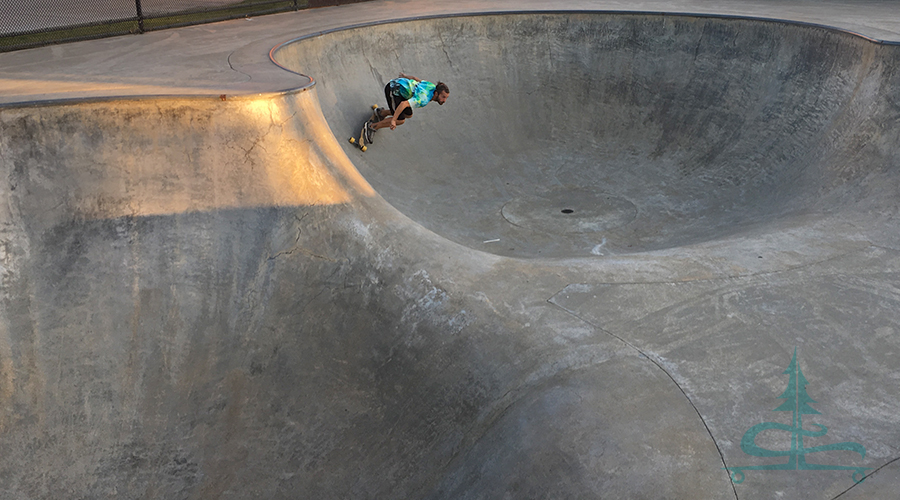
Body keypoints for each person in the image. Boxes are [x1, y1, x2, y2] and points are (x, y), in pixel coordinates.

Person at [365, 73, 449, 143]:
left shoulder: (431, 86)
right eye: (443, 97)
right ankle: (372, 126)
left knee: (408, 115)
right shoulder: (423, 99)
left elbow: (415, 79)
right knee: (400, 120)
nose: (444, 100)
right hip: (393, 90)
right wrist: (393, 120)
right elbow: (403, 104)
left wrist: (404, 76)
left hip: (401, 90)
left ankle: (381, 113)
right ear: (436, 93)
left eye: (446, 98)